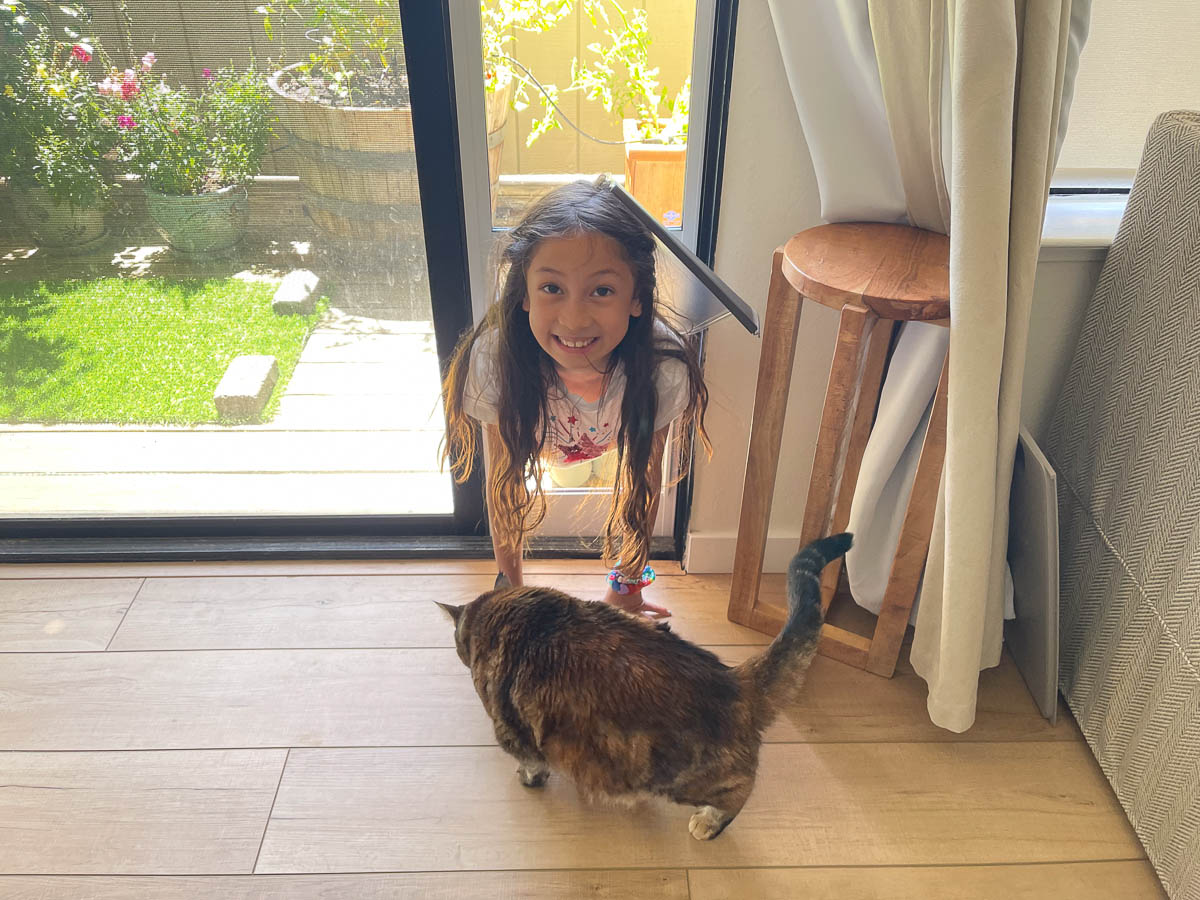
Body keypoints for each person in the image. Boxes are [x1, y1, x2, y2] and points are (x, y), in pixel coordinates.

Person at [442, 176, 709, 618]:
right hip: (542, 433)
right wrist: (510, 591)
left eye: (601, 291)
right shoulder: (495, 361)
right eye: (552, 288)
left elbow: (643, 479)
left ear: (637, 299)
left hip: (607, 434)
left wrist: (628, 587)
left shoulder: (661, 367)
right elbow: (504, 483)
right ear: (524, 294)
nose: (574, 318)